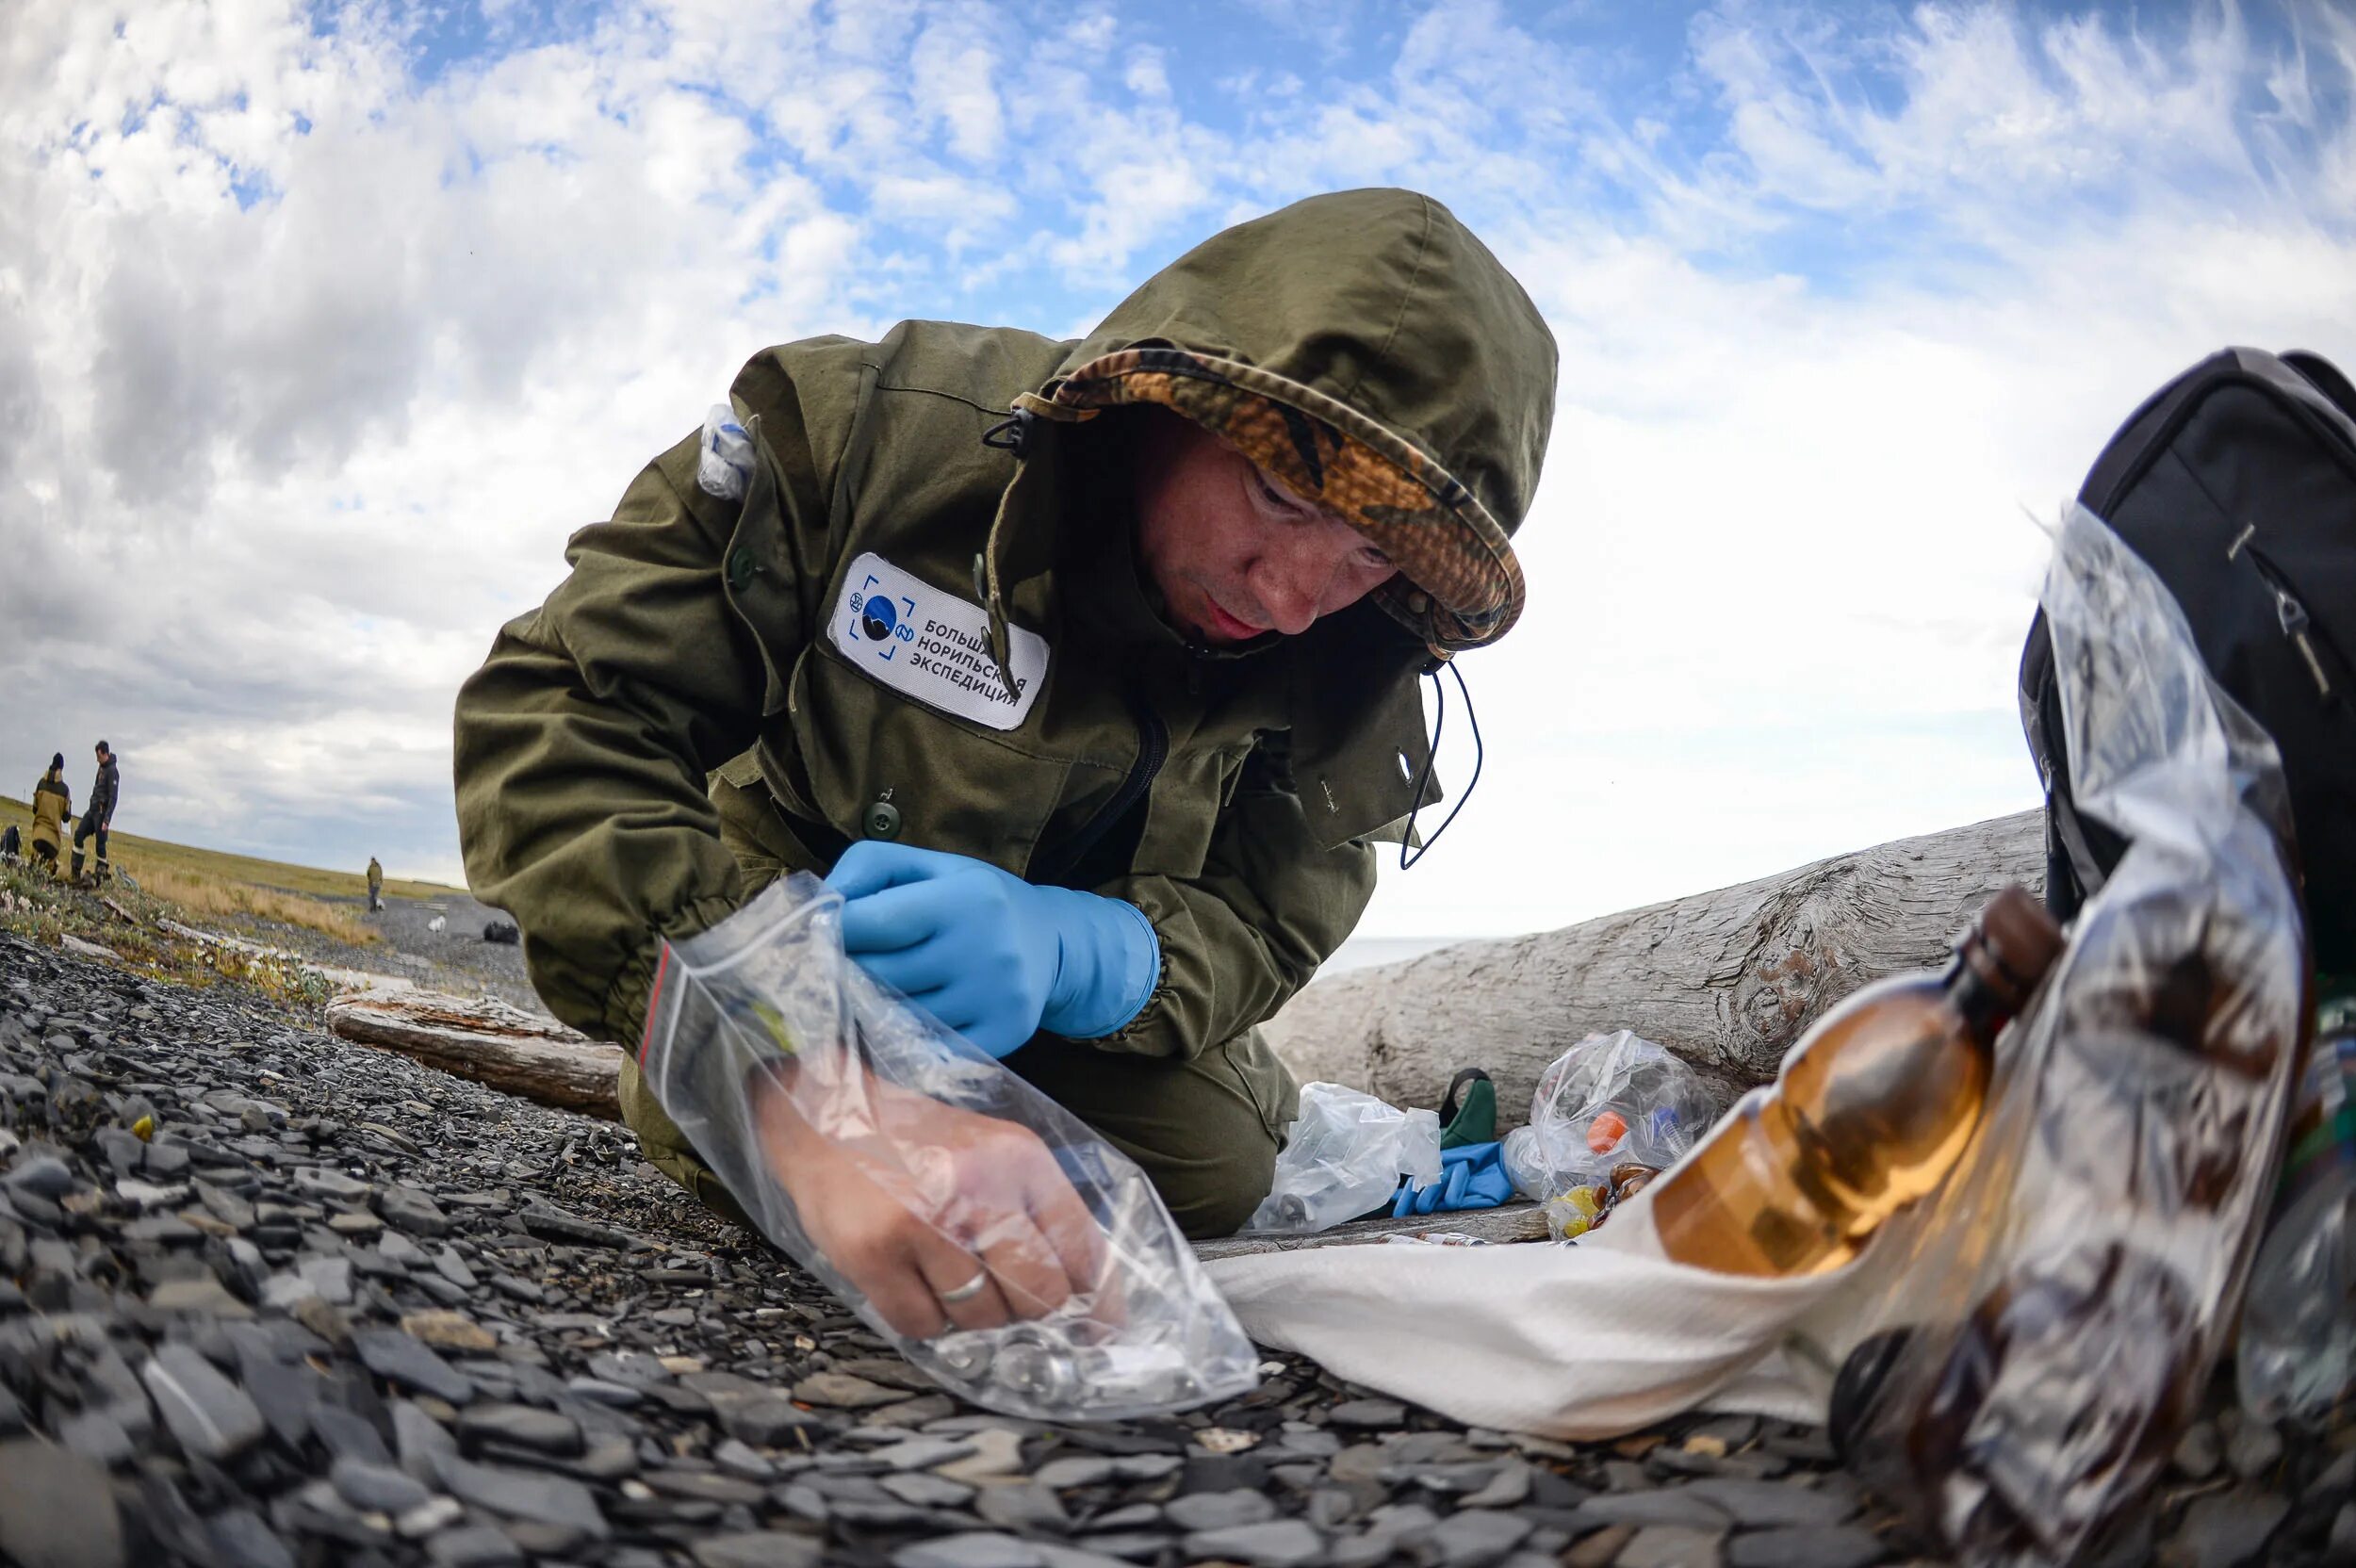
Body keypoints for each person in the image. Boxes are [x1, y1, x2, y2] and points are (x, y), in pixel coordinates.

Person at [454, 188, 1555, 1333]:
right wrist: (790, 1078)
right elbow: (565, 704)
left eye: (1368, 552)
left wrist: (1097, 956)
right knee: (737, 1108)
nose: (1288, 598)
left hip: (1067, 1015)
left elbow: (1275, 914)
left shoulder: (1360, 653)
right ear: (1169, 398)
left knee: (1218, 1173)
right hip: (796, 916)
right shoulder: (863, 434)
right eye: (1277, 493)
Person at [71, 740, 118, 884]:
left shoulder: (112, 772)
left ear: (105, 754)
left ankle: (100, 878)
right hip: (92, 810)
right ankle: (75, 871)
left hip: (102, 813)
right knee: (79, 835)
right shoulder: (101, 768)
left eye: (99, 757)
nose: (97, 760)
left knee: (100, 845)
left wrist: (107, 820)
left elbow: (113, 797)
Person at [29, 755, 72, 876]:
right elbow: (66, 817)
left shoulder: (41, 783)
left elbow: (34, 809)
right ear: (61, 769)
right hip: (53, 842)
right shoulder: (65, 790)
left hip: (37, 837)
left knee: (33, 872)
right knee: (47, 876)